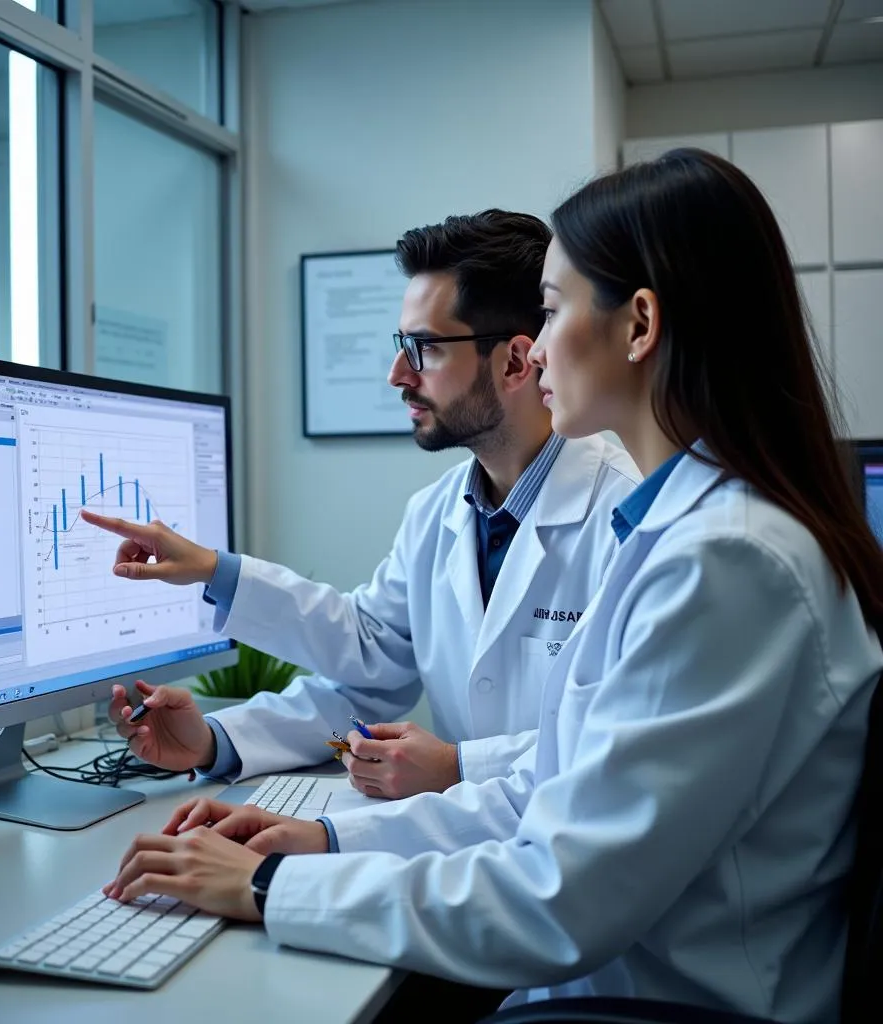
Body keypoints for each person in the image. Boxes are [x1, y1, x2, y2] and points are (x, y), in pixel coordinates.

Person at [103, 149, 883, 1021]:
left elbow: (561, 896)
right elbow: (545, 782)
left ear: (639, 326)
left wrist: (273, 886)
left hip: (665, 1003)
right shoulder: (677, 533)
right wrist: (321, 837)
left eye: (551, 313)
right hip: (612, 972)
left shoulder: (723, 559)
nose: (539, 347)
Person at [84, 210, 638, 799]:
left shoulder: (628, 514)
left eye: (422, 348)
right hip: (470, 845)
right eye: (403, 345)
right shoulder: (437, 513)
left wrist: (459, 766)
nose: (397, 373)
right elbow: (369, 669)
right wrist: (212, 739)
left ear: (513, 362)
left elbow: (621, 738)